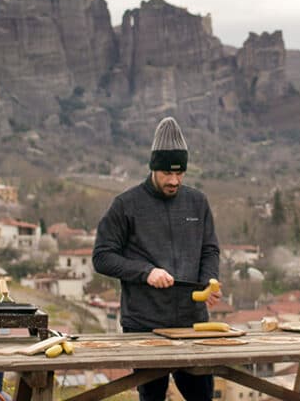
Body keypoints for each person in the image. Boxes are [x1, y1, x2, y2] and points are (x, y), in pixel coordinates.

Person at [93, 116, 221, 401]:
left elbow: (210, 250)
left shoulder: (197, 202)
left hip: (192, 323)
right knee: (152, 398)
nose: (174, 181)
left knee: (202, 397)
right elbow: (102, 257)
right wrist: (146, 272)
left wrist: (209, 281)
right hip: (144, 324)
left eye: (180, 174)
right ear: (153, 167)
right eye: (166, 173)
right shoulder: (125, 205)